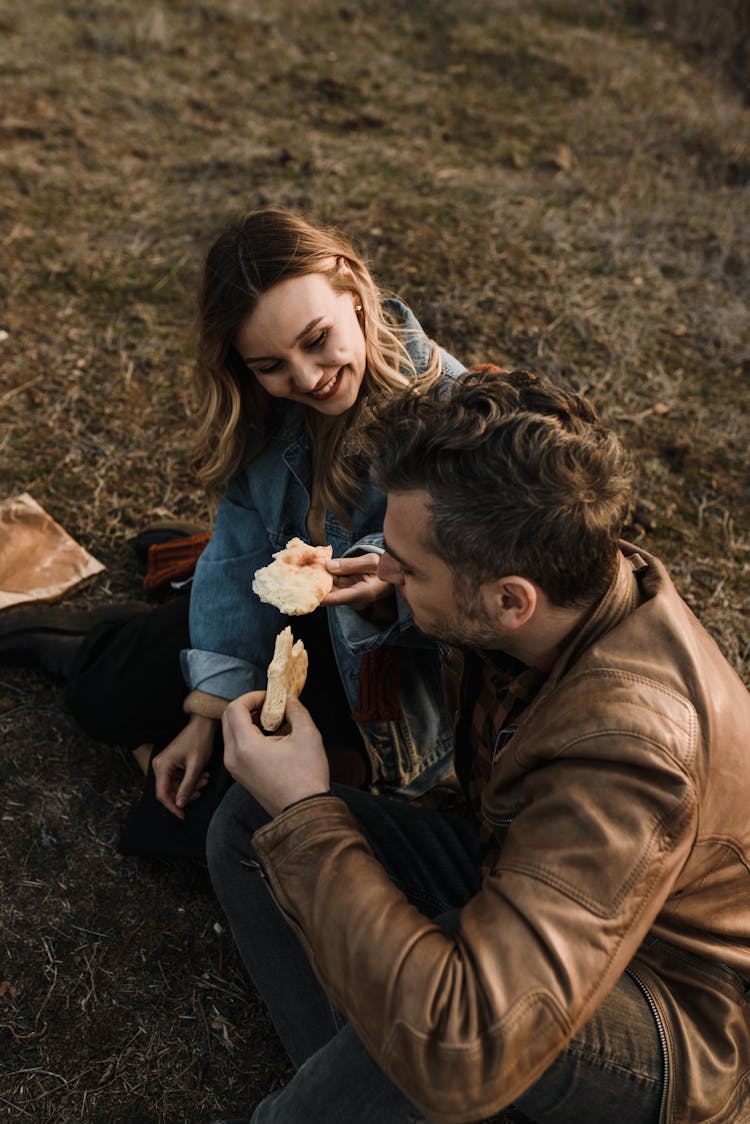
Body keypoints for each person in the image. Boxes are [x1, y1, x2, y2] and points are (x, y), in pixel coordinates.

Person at [207, 368, 750, 1124]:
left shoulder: (630, 751)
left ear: (508, 600)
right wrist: (400, 586)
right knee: (249, 825)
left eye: (407, 566)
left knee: (436, 1003)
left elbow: (467, 1029)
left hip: (676, 1016)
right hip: (520, 868)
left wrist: (307, 806)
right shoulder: (557, 570)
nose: (382, 567)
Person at [0, 208, 465, 857]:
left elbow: (484, 606)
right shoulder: (269, 413)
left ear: (352, 290)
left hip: (378, 683)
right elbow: (242, 553)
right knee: (100, 703)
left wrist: (386, 589)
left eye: (316, 338)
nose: (305, 378)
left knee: (176, 834)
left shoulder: (456, 423)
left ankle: (161, 613)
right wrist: (208, 712)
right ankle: (105, 638)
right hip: (283, 618)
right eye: (271, 364)